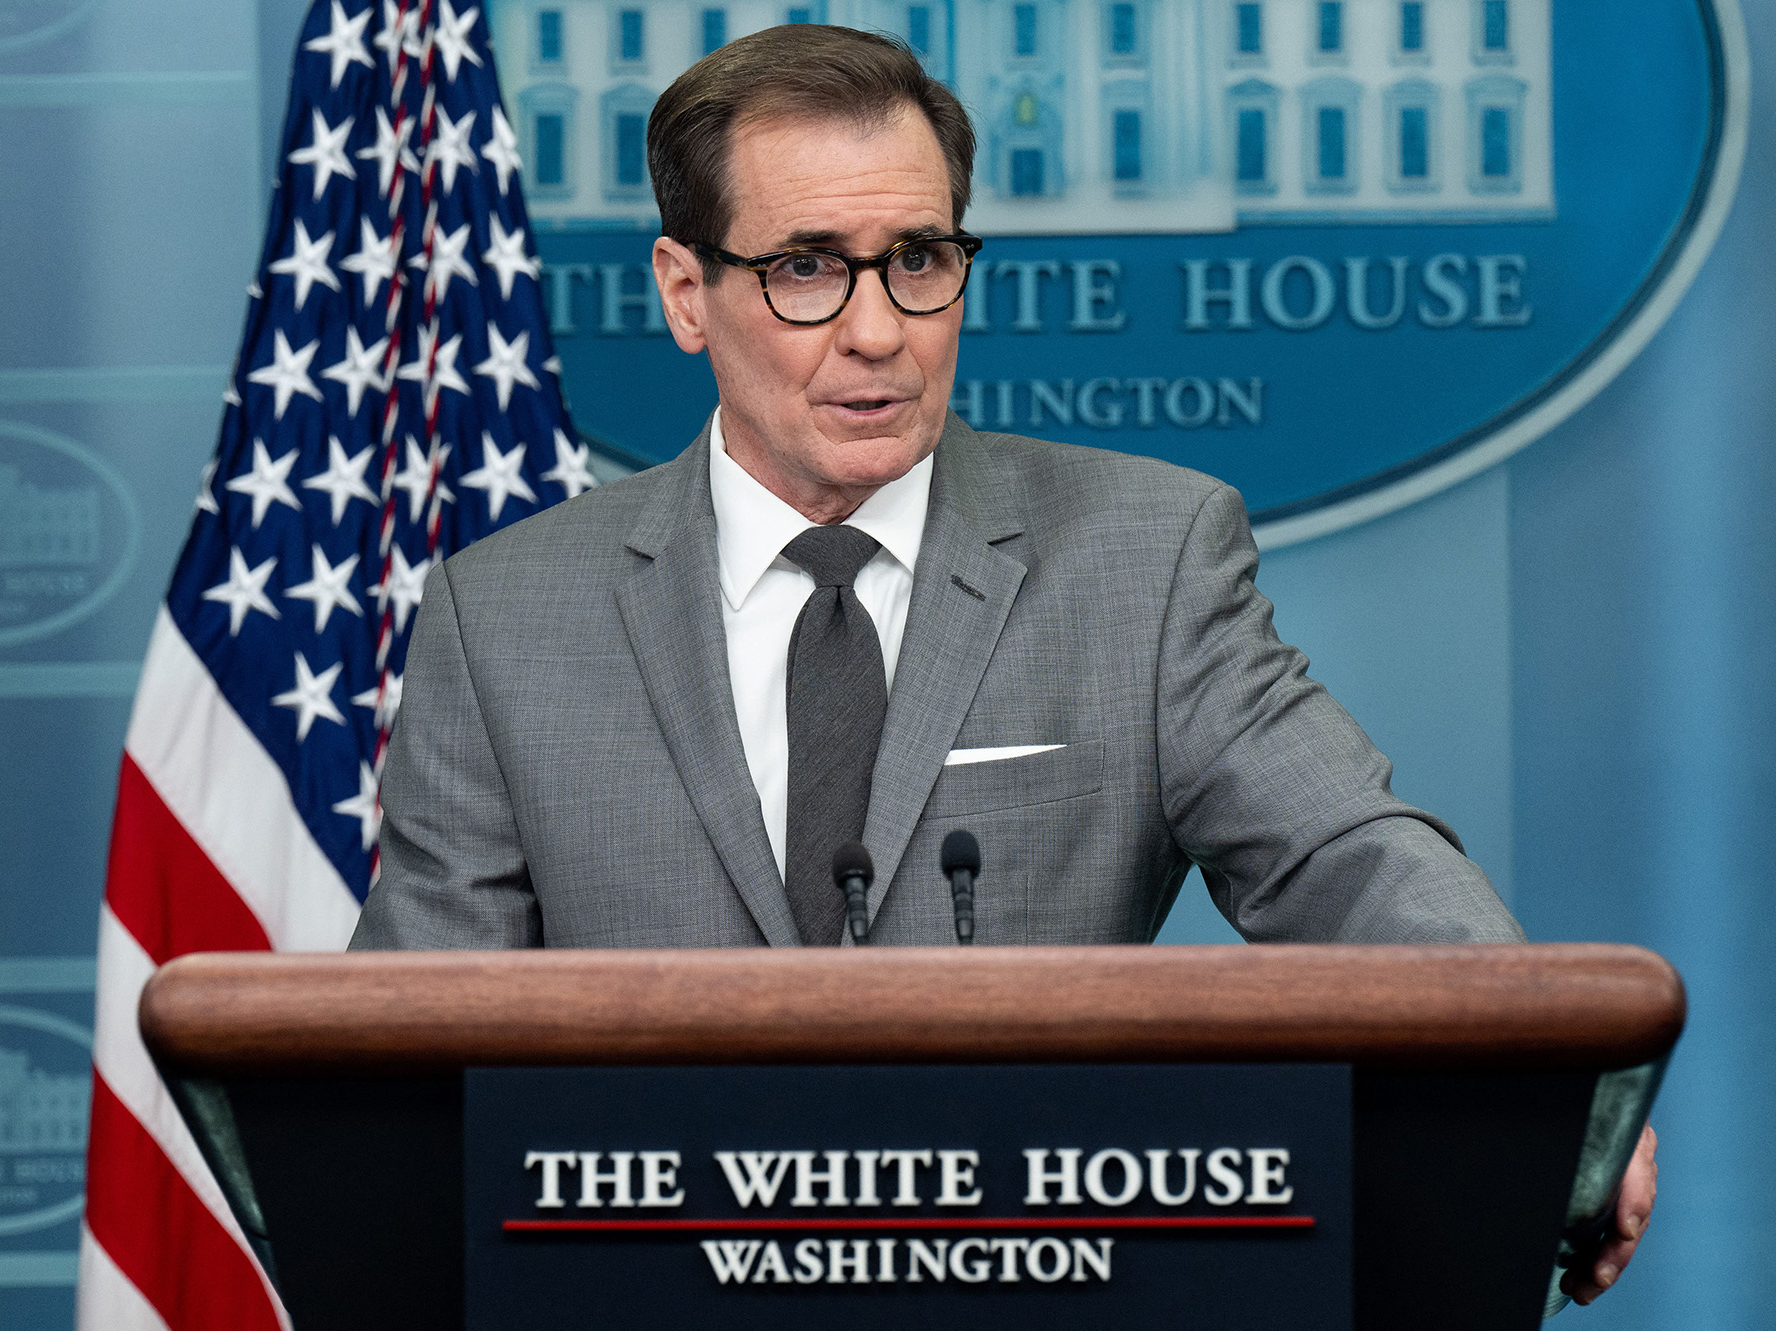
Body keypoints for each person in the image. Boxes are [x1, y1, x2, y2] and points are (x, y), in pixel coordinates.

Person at [349, 25, 1654, 1303]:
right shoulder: (504, 616)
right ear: (687, 294)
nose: (877, 332)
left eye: (918, 258)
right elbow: (403, 1067)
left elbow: (1346, 861)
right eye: (808, 268)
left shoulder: (1143, 563)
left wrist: (1557, 1093)